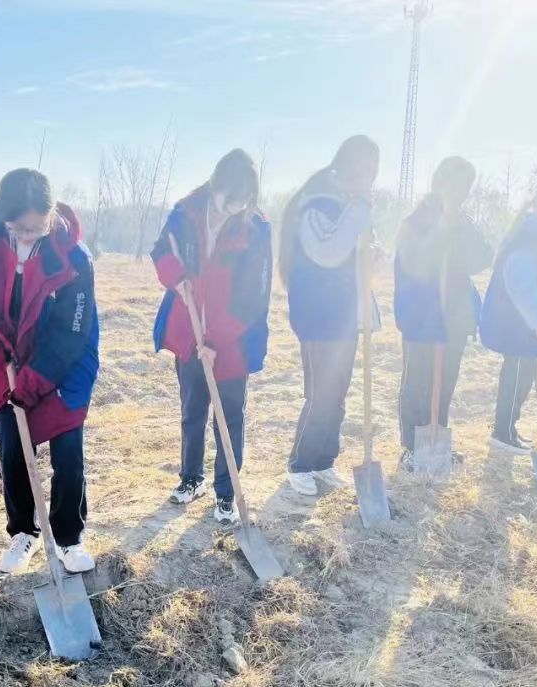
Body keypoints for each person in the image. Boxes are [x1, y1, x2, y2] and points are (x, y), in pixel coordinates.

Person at [0, 169, 99, 574]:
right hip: (6, 359)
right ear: (2, 216)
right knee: (13, 447)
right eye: (18, 228)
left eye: (36, 228)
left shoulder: (73, 258)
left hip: (64, 360)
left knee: (68, 449)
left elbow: (72, 331)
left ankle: (68, 536)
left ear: (51, 216)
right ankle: (24, 531)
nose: (26, 236)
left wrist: (33, 382)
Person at [151, 149, 273, 524]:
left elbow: (253, 298)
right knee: (192, 409)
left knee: (229, 415)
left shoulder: (255, 228)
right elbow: (161, 251)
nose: (233, 209)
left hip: (232, 340)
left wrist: (217, 341)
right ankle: (192, 477)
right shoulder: (186, 212)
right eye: (228, 201)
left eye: (241, 203)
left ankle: (227, 492)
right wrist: (176, 278)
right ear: (215, 185)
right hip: (188, 329)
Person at [281, 136, 381, 497]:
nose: (369, 180)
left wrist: (373, 255)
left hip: (344, 314)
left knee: (337, 393)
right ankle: (300, 464)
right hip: (319, 314)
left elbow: (356, 253)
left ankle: (324, 460)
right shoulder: (318, 201)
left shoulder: (349, 204)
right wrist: (360, 210)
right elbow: (327, 251)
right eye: (366, 172)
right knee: (321, 394)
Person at [394, 156, 495, 469]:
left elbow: (482, 257)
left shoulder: (464, 222)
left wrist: (458, 227)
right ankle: (412, 446)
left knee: (445, 382)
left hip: (455, 317)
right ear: (440, 183)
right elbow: (414, 263)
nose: (461, 193)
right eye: (456, 185)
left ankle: (436, 440)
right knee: (417, 383)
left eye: (466, 187)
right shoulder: (415, 221)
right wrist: (441, 231)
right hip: (421, 315)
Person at [480, 182, 537, 453]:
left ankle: (508, 428)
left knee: (522, 377)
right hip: (518, 325)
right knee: (517, 378)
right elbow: (519, 279)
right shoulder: (532, 235)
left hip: (523, 325)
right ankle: (502, 433)